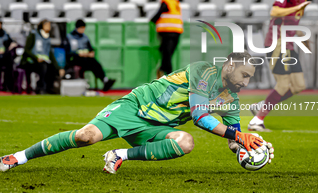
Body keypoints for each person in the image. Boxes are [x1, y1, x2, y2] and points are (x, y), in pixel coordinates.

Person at [0, 52, 274, 174]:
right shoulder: (204, 71)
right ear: (228, 66)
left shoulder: (231, 100)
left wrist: (247, 147)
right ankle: (18, 157)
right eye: (244, 75)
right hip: (135, 107)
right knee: (86, 137)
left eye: (250, 78)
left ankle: (119, 155)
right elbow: (200, 116)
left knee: (185, 143)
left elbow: (232, 137)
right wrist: (238, 134)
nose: (246, 82)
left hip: (156, 127)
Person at [248, 0, 313, 131]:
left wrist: (300, 35)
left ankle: (261, 106)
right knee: (283, 84)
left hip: (289, 43)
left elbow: (290, 21)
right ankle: (256, 121)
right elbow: (274, 11)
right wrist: (296, 8)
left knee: (299, 86)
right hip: (277, 42)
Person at [65, 19, 115, 91]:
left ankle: (105, 80)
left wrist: (89, 54)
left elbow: (91, 50)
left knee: (95, 63)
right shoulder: (70, 37)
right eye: (81, 28)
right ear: (77, 28)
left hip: (86, 59)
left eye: (84, 28)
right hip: (75, 59)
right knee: (91, 62)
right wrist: (79, 54)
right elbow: (68, 52)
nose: (83, 30)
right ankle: (104, 81)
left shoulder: (85, 37)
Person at [20, 19, 65, 94]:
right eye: (47, 25)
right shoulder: (33, 35)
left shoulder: (47, 38)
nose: (49, 27)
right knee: (43, 67)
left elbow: (50, 54)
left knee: (52, 68)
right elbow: (27, 50)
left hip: (44, 61)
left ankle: (50, 88)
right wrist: (36, 58)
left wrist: (59, 68)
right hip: (31, 61)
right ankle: (40, 88)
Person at [150, 0, 183, 78]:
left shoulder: (166, 1)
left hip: (167, 33)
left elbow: (159, 13)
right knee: (168, 56)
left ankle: (168, 76)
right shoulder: (175, 1)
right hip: (176, 32)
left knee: (167, 56)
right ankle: (164, 72)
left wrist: (152, 21)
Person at [0, 20, 17, 92]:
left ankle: (8, 86)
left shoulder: (5, 34)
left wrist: (12, 44)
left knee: (9, 62)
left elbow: (13, 42)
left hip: (4, 57)